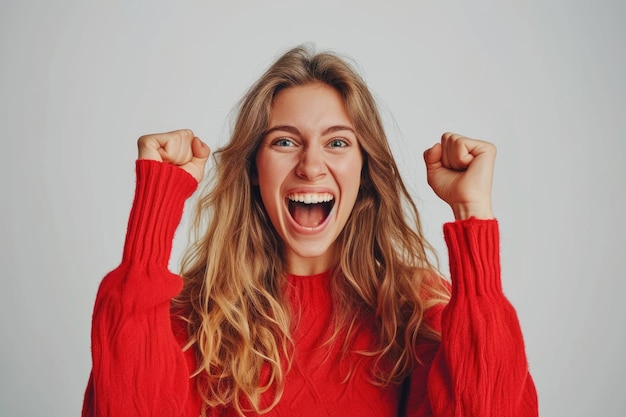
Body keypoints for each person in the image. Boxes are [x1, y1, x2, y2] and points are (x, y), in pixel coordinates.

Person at [82, 45, 538, 417]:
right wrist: (154, 210)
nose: (311, 165)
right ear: (254, 168)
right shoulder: (194, 321)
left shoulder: (415, 310)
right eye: (284, 141)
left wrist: (471, 212)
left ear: (364, 170)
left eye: (337, 142)